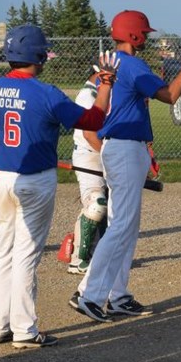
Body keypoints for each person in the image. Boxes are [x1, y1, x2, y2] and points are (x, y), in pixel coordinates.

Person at [0, 24, 115, 347]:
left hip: (1, 178)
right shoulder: (46, 92)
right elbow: (93, 120)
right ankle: (25, 330)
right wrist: (105, 85)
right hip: (35, 180)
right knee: (26, 254)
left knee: (4, 253)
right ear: (38, 56)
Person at [69, 10, 181, 322]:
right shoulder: (130, 64)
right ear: (134, 35)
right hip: (125, 147)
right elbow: (170, 95)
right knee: (120, 227)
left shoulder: (111, 63)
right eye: (144, 33)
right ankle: (89, 295)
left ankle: (118, 296)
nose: (148, 38)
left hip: (121, 147)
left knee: (125, 226)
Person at [67, 74, 108, 275]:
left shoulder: (105, 91)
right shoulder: (87, 95)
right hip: (89, 154)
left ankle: (99, 254)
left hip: (103, 151)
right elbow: (89, 135)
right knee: (96, 204)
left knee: (109, 208)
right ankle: (78, 260)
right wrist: (113, 159)